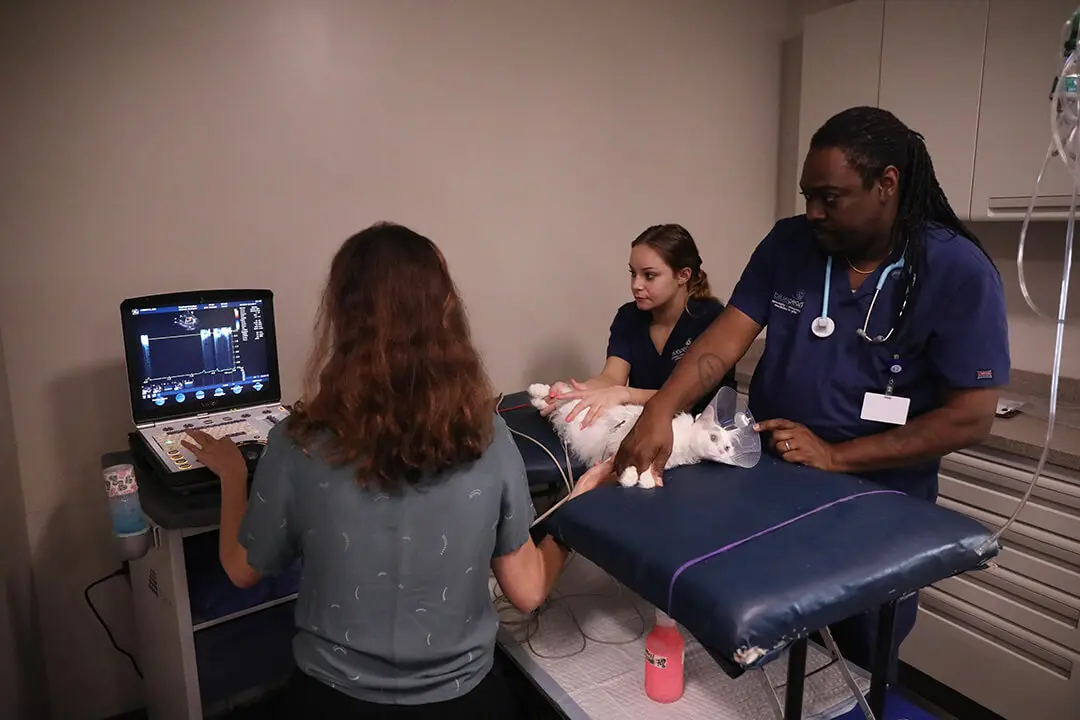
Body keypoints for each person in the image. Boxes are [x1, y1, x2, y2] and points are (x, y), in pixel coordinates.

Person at [612, 106, 1010, 679]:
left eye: (830, 197)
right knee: (756, 650)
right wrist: (659, 408)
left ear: (887, 185)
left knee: (853, 666)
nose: (813, 211)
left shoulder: (955, 268)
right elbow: (722, 342)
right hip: (770, 483)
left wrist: (836, 456)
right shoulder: (791, 244)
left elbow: (971, 418)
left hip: (877, 505)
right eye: (807, 195)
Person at [181, 222, 615, 718]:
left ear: (343, 318)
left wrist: (234, 475)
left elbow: (241, 569)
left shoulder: (296, 443)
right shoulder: (488, 439)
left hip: (330, 701)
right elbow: (528, 592)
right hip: (464, 703)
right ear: (445, 315)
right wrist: (573, 509)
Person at [541, 223, 737, 427]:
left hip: (708, 436)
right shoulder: (629, 317)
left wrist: (625, 394)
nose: (636, 285)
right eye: (633, 273)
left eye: (649, 276)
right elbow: (611, 378)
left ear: (683, 275)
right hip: (651, 430)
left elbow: (687, 399)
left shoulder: (710, 317)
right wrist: (575, 393)